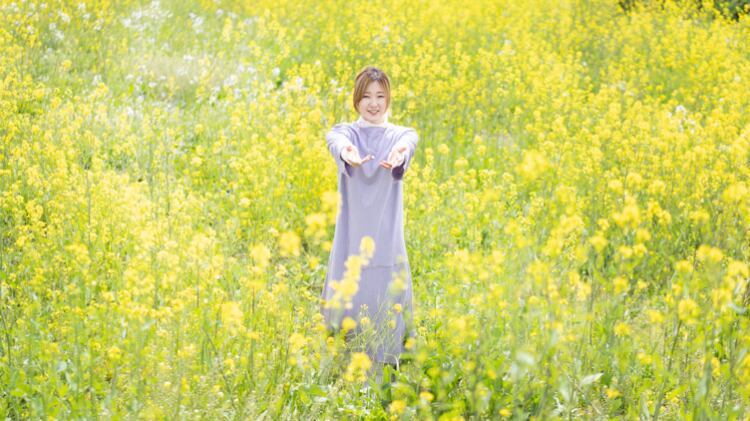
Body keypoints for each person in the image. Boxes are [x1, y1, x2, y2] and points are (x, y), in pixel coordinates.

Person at [319, 66, 418, 382]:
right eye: (366, 96)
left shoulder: (401, 135)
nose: (373, 103)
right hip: (353, 232)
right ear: (356, 100)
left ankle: (385, 363)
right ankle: (345, 359)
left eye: (380, 96)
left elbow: (408, 143)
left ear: (388, 99)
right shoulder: (346, 133)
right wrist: (346, 152)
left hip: (385, 232)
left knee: (385, 285)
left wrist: (400, 154)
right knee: (351, 286)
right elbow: (336, 140)